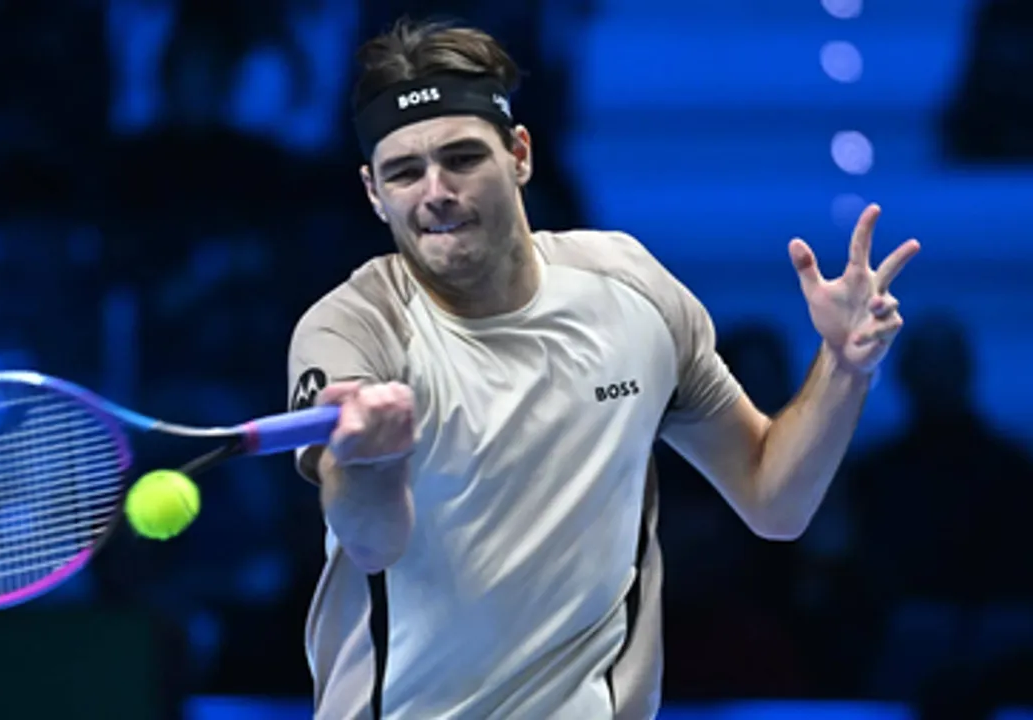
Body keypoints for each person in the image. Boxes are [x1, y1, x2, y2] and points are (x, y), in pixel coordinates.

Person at [285, 17, 920, 720]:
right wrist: (370, 459)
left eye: (463, 158)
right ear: (374, 193)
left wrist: (843, 366)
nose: (435, 191)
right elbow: (372, 543)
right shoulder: (351, 328)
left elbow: (775, 500)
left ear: (519, 154)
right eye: (404, 172)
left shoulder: (631, 289)